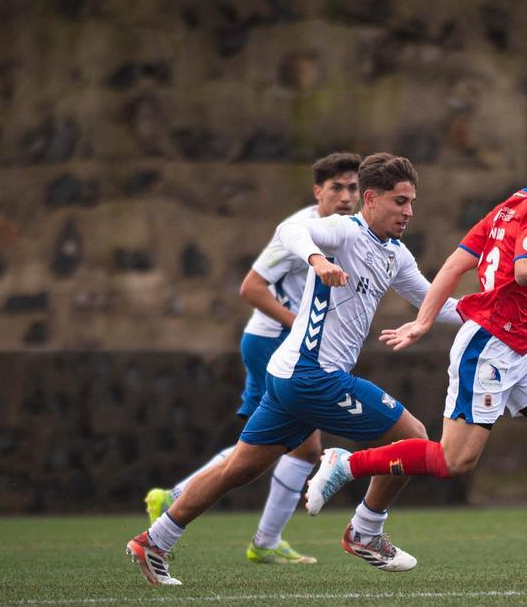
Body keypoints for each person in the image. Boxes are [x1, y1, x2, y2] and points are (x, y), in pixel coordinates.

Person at [301, 124, 527, 578]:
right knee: (454, 459)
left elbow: (456, 262)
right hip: (489, 347)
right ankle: (347, 463)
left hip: (522, 345)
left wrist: (425, 320)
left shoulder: (513, 204)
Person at [126, 153, 461, 586]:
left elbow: (437, 303)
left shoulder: (395, 255)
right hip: (311, 375)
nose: (409, 212)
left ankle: (154, 540)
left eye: (412, 202)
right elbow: (290, 230)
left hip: (289, 377)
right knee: (413, 440)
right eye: (400, 201)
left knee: (240, 469)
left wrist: (496, 315)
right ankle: (365, 531)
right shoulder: (343, 231)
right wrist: (318, 260)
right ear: (372, 199)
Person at [142, 152, 362, 566]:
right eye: (337, 187)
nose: (346, 196)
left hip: (296, 346)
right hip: (272, 342)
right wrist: (299, 321)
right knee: (293, 445)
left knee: (281, 444)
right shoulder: (299, 232)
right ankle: (254, 536)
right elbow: (251, 288)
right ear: (319, 192)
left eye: (352, 188)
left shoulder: (346, 231)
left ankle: (252, 534)